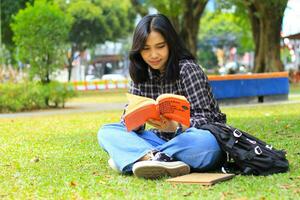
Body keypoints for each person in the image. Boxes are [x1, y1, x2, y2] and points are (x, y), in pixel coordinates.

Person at [97, 13, 227, 179]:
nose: (153, 55)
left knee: (206, 144)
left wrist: (174, 127)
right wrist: (134, 118)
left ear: (170, 45)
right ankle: (154, 159)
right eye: (146, 49)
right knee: (107, 131)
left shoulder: (188, 69)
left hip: (192, 141)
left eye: (160, 46)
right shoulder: (140, 74)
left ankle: (136, 157)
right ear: (138, 50)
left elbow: (206, 119)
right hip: (159, 141)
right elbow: (126, 124)